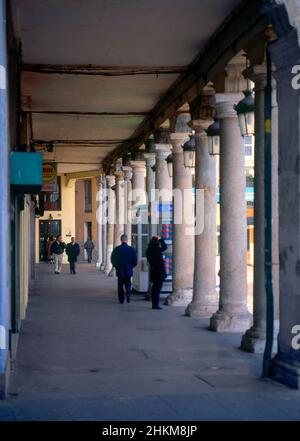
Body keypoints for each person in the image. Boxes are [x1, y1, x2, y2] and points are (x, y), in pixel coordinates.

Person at [111, 234, 137, 304]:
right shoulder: (132, 249)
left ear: (121, 240)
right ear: (127, 240)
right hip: (128, 270)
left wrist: (115, 265)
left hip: (120, 270)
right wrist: (132, 266)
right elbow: (135, 261)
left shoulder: (117, 249)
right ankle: (128, 294)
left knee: (120, 285)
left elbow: (113, 259)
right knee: (128, 283)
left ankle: (121, 299)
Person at [146, 236, 167, 310]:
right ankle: (156, 305)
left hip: (153, 271)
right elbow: (165, 247)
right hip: (159, 272)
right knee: (157, 289)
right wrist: (161, 239)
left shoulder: (148, 250)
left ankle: (154, 304)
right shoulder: (157, 250)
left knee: (154, 288)